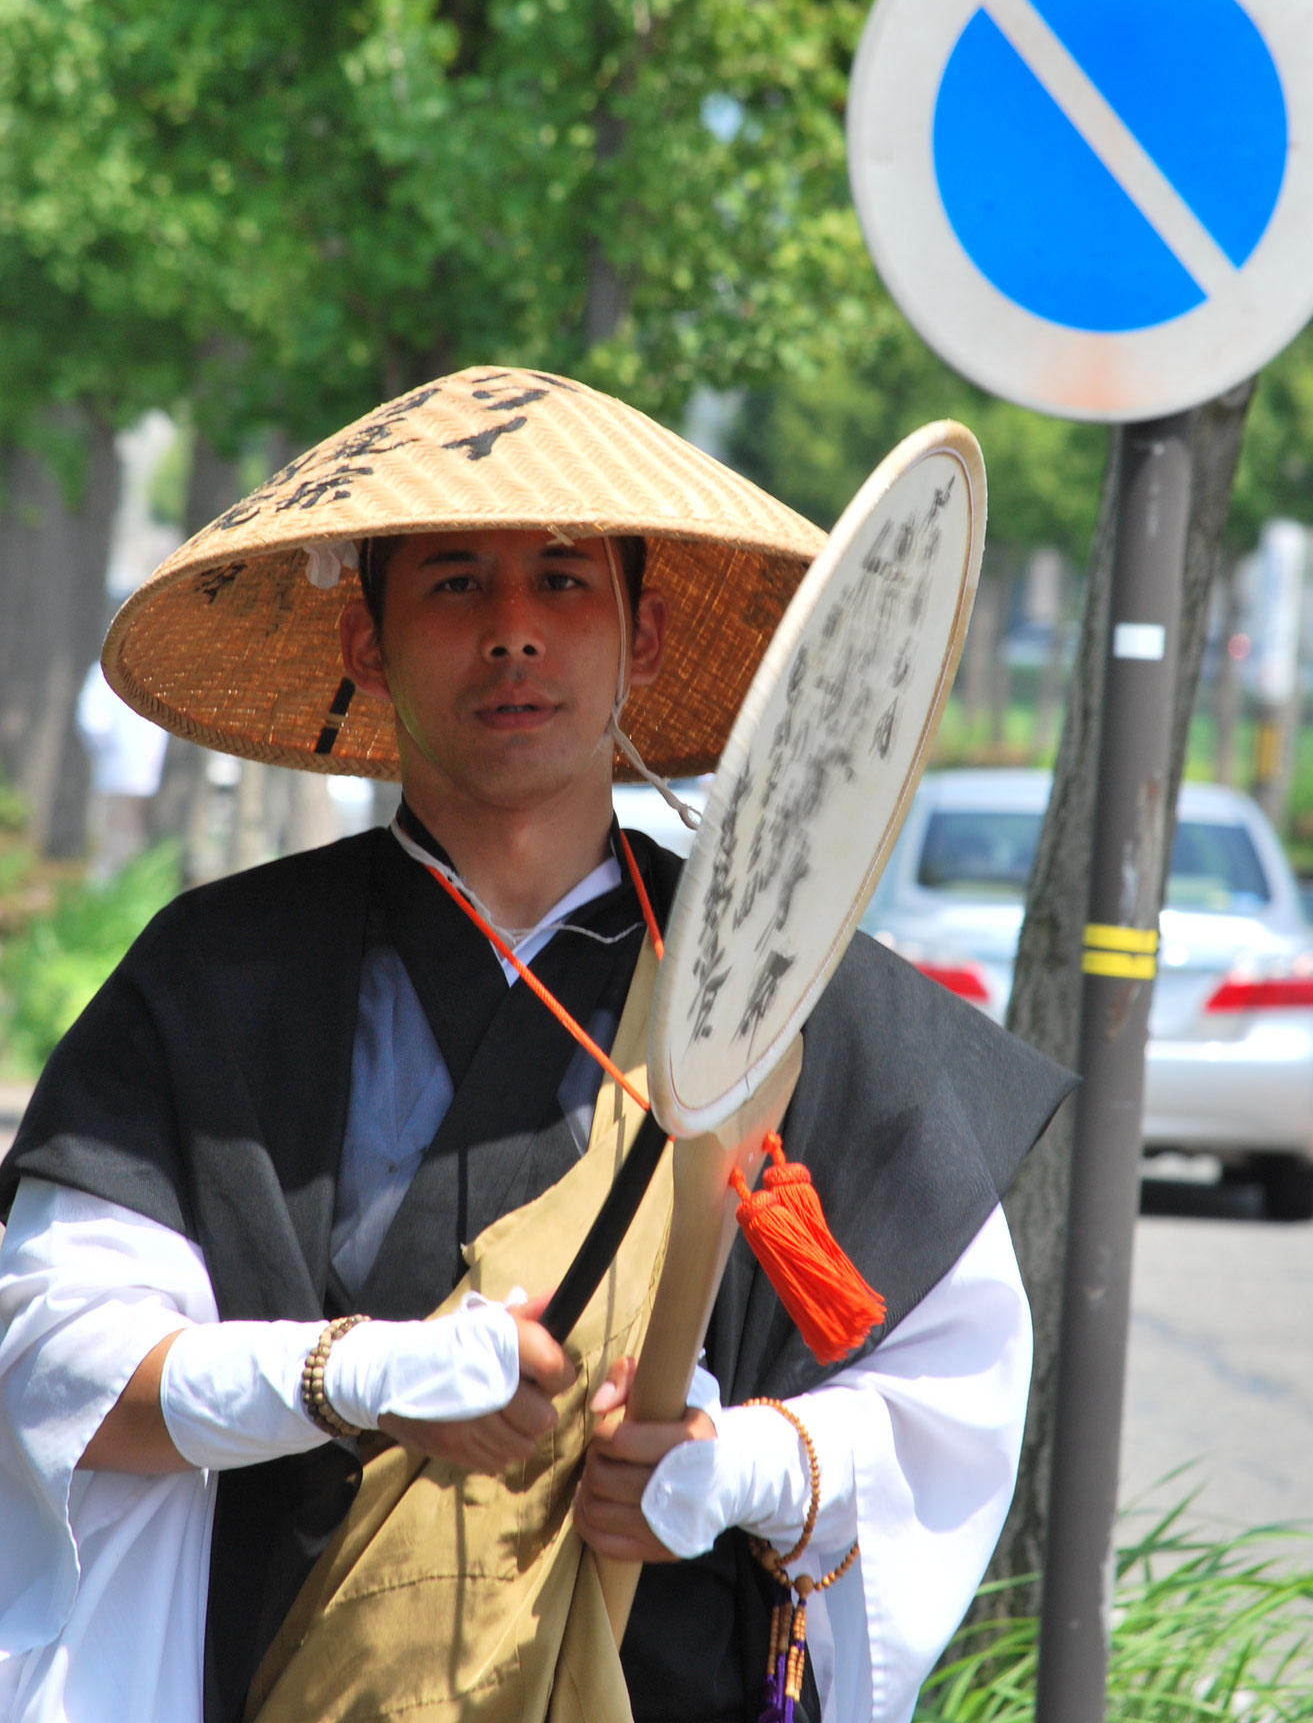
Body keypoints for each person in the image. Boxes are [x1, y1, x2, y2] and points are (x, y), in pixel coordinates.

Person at [0, 367, 1071, 1723]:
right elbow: (59, 1363)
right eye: (454, 585)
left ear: (649, 635)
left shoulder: (790, 987)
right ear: (367, 650)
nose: (514, 632)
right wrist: (351, 1376)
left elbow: (953, 1398)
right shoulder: (217, 977)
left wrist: (742, 1465)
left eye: (564, 583)